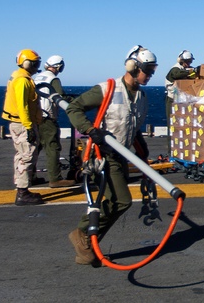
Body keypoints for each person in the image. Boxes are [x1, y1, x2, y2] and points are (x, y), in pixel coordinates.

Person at [66, 45, 154, 265]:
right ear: (133, 67)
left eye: (153, 70)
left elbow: (133, 129)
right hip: (102, 156)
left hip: (122, 155)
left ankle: (89, 244)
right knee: (121, 201)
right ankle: (82, 234)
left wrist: (142, 151)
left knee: (115, 202)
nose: (151, 75)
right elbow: (73, 108)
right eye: (148, 70)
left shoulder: (142, 96)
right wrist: (90, 130)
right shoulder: (108, 89)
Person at [3, 49, 46, 206]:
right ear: (28, 63)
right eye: (35, 64)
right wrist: (29, 127)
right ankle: (22, 192)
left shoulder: (18, 76)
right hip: (22, 124)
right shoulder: (22, 80)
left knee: (21, 155)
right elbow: (23, 106)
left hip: (18, 123)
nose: (37, 67)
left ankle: (22, 187)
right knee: (27, 155)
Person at [32, 55, 76, 188]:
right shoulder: (53, 79)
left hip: (35, 116)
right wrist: (75, 102)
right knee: (52, 147)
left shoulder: (37, 77)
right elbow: (60, 96)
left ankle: (30, 176)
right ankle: (55, 178)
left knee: (35, 148)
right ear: (59, 66)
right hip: (47, 117)